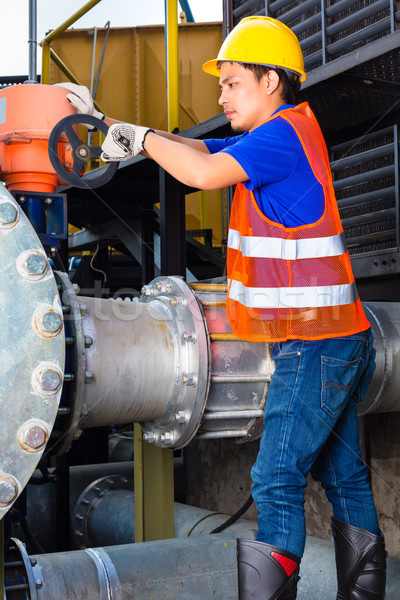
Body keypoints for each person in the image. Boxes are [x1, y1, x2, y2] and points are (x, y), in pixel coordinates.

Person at [57, 16, 386, 600]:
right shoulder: (281, 134)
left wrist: (140, 142)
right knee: (343, 474)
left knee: (275, 474)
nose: (221, 94)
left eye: (232, 82)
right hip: (335, 337)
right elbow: (201, 149)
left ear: (271, 82)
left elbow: (203, 173)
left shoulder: (283, 136)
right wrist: (119, 128)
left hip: (317, 343)